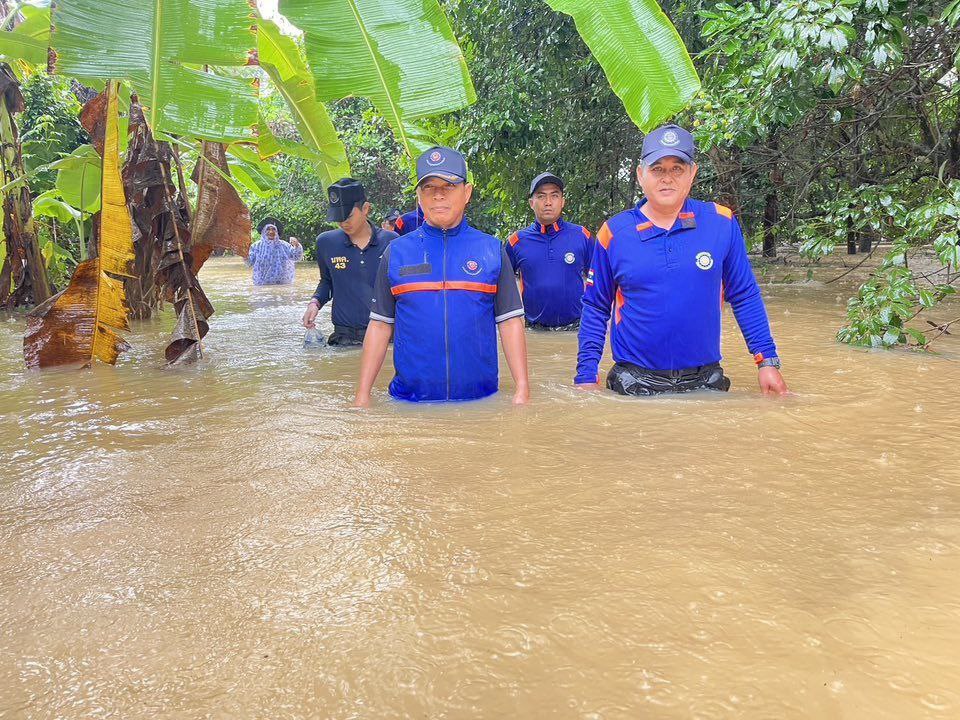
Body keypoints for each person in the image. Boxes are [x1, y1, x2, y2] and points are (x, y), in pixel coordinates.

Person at [575, 124, 788, 396]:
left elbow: (745, 295)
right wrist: (586, 377)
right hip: (634, 384)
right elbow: (595, 307)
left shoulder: (720, 222)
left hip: (705, 381)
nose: (668, 178)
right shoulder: (614, 233)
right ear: (641, 175)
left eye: (677, 168)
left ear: (693, 173)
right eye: (657, 169)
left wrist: (766, 362)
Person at [354, 146, 530, 406]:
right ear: (419, 196)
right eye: (429, 188)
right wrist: (362, 395)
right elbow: (380, 325)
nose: (438, 195)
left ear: (466, 192)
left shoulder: (491, 250)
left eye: (448, 186)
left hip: (481, 403)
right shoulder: (397, 252)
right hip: (408, 404)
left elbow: (510, 323)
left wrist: (522, 390)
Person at [302, 178, 396, 346]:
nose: (343, 222)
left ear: (366, 209)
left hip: (386, 339)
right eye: (338, 217)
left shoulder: (392, 242)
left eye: (349, 216)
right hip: (344, 339)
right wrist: (314, 303)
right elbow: (327, 281)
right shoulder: (326, 243)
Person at [506, 172, 595, 330]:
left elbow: (600, 281)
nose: (548, 202)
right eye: (541, 196)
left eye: (554, 196)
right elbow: (503, 287)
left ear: (562, 202)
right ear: (531, 203)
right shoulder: (516, 242)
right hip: (535, 332)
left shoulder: (582, 236)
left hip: (576, 330)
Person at [247, 218, 303, 285]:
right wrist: (244, 253)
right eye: (268, 229)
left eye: (273, 229)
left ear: (276, 232)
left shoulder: (284, 245)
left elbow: (296, 257)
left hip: (282, 283)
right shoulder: (256, 246)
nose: (271, 232)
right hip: (262, 284)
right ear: (263, 231)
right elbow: (249, 262)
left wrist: (296, 245)